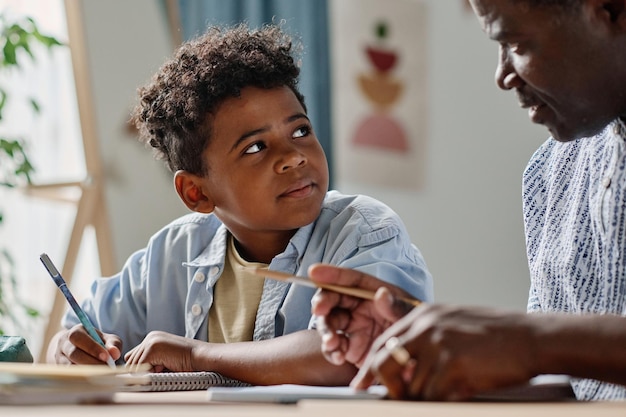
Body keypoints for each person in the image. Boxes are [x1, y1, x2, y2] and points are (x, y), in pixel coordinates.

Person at [45, 23, 434, 386]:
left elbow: (357, 352)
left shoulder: (362, 232)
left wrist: (198, 354)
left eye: (300, 130)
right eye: (256, 147)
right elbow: (74, 335)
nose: (294, 157)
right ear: (197, 193)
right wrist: (69, 350)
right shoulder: (170, 255)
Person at [310, 0, 626, 401]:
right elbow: (582, 392)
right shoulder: (551, 173)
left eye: (517, 43)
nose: (502, 75)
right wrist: (426, 348)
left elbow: (544, 347)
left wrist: (530, 341)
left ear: (611, 9)